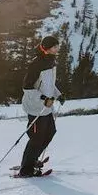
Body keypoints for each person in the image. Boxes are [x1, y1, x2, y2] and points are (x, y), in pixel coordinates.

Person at [18, 35, 65, 177]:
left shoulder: (51, 62)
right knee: (37, 138)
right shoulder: (36, 64)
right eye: (55, 46)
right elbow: (27, 87)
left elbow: (49, 85)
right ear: (47, 48)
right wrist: (44, 98)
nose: (57, 48)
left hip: (46, 107)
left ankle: (32, 160)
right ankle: (26, 169)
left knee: (50, 132)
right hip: (35, 107)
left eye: (57, 46)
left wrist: (58, 95)